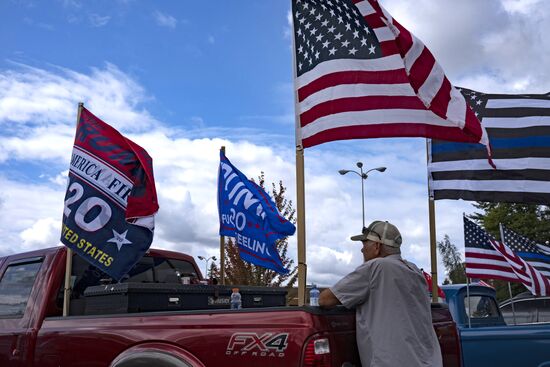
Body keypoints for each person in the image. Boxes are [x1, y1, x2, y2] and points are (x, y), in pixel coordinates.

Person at [319, 220, 442, 367]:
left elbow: (325, 300)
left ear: (377, 246)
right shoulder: (415, 271)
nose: (362, 250)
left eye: (365, 244)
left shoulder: (376, 267)